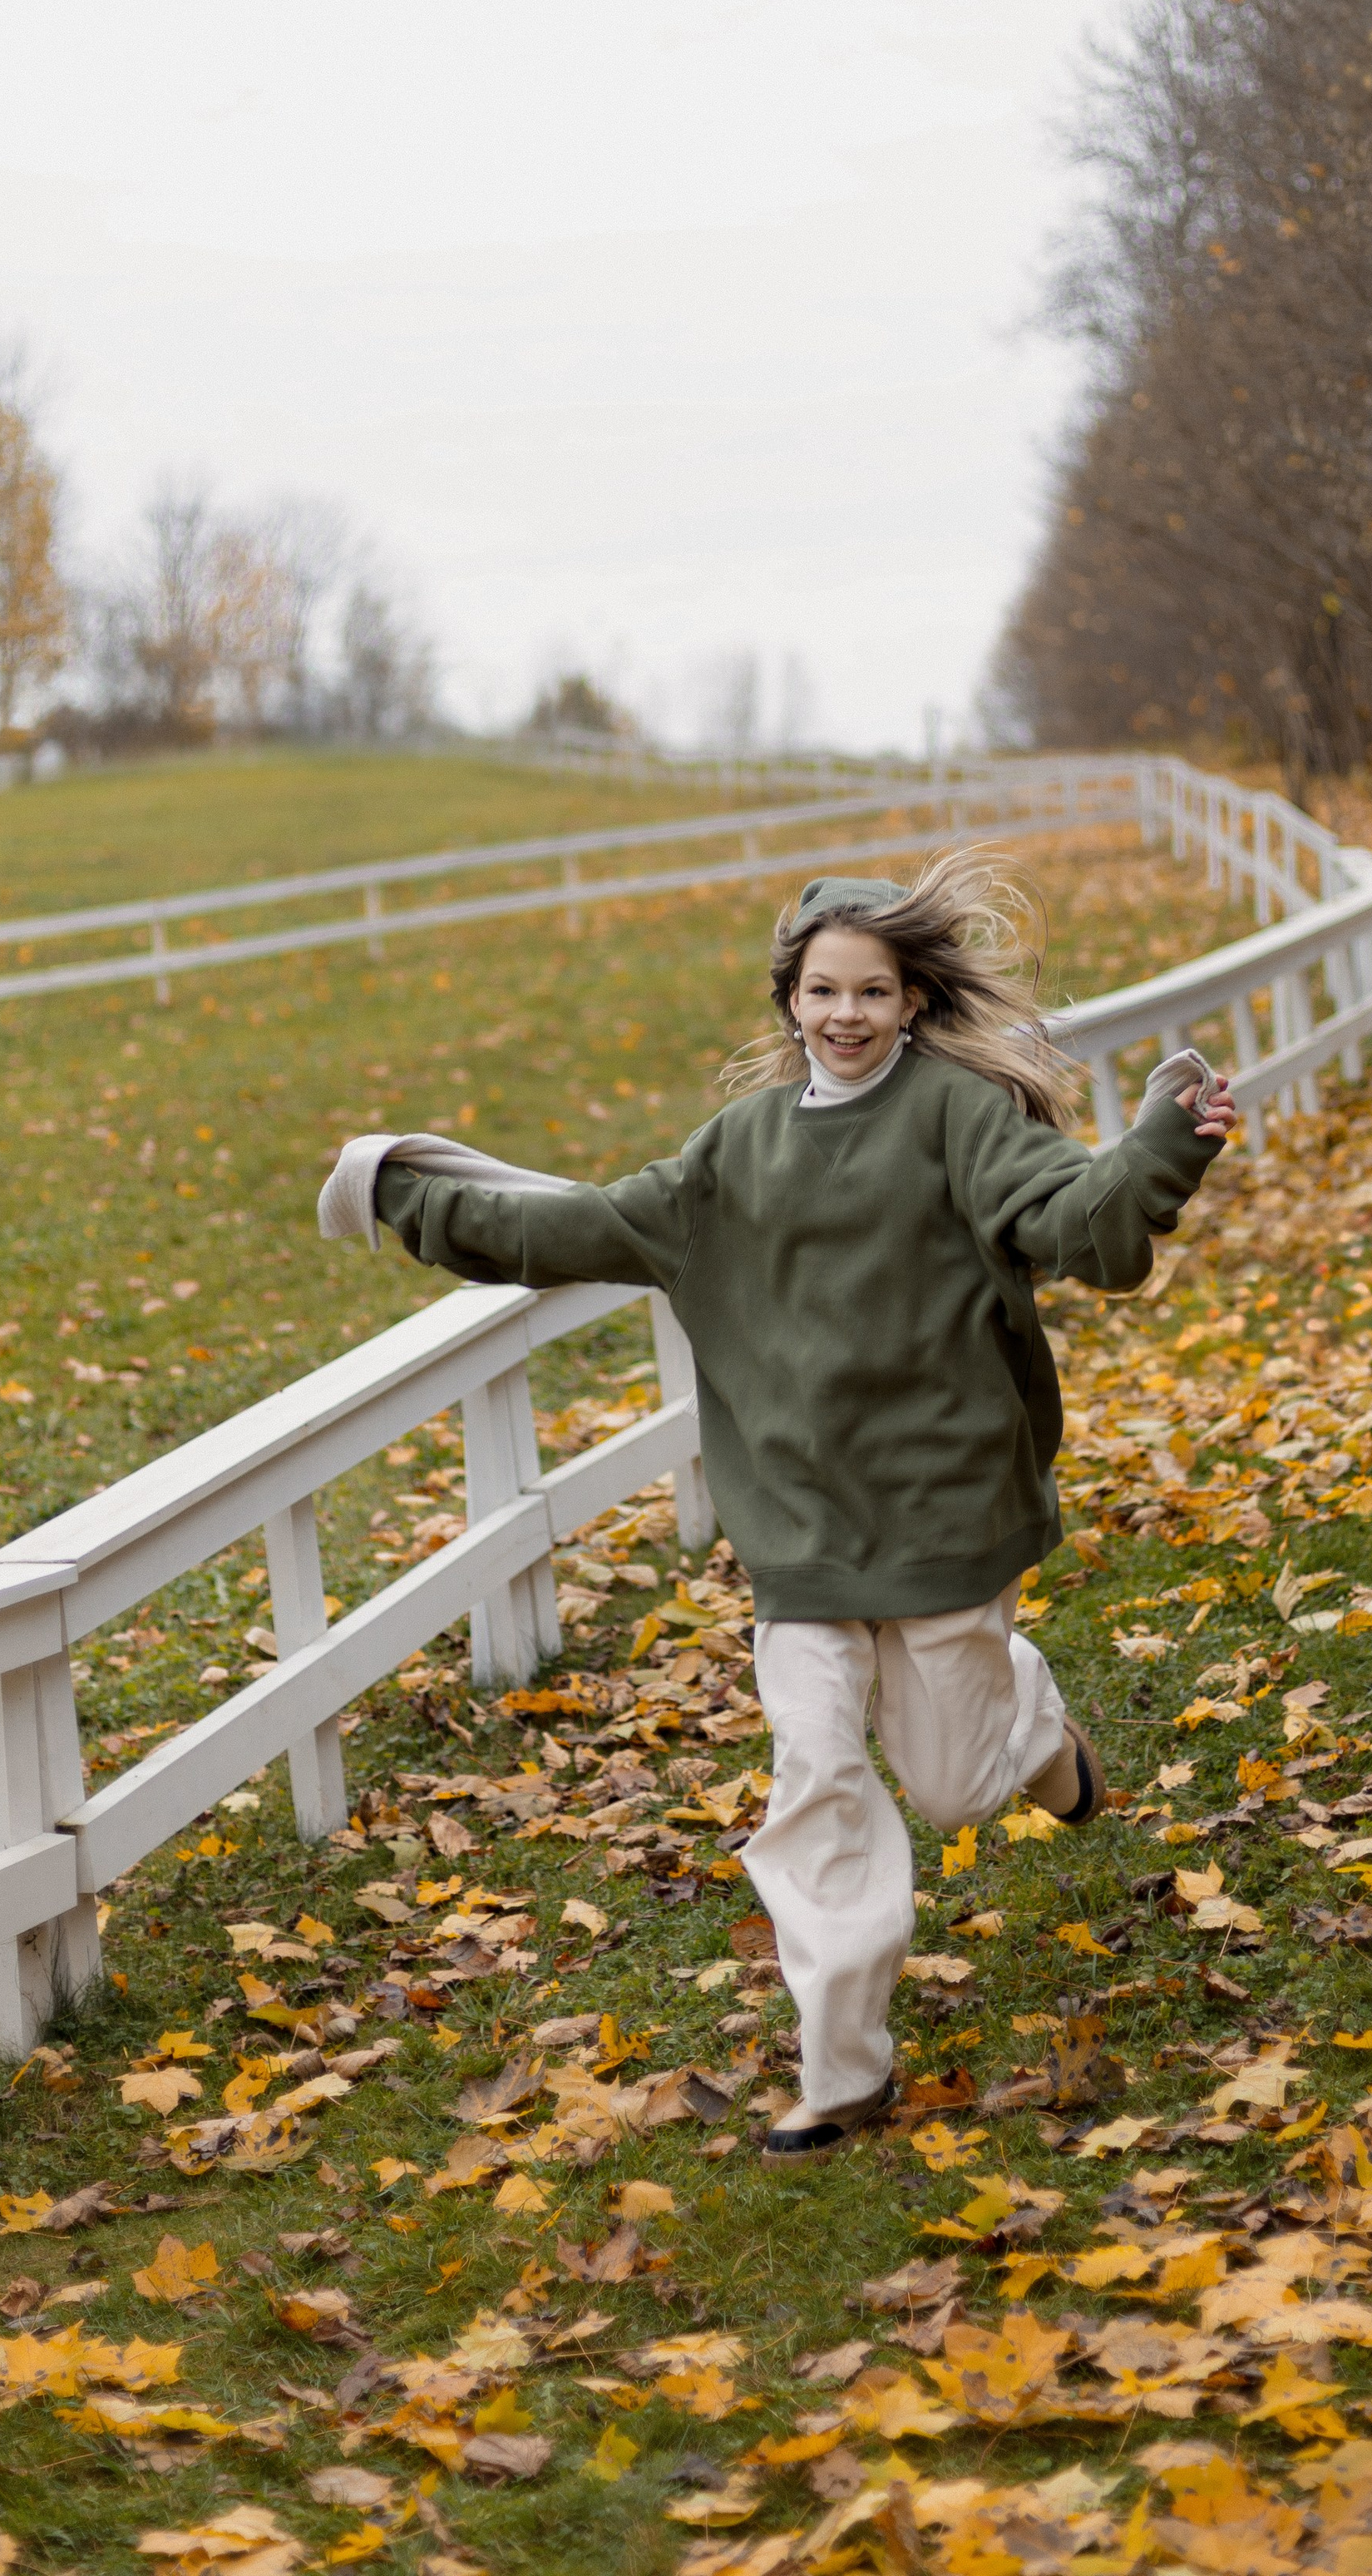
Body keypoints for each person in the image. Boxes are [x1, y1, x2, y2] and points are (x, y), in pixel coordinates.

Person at [316, 852, 1236, 2158]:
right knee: (815, 1773)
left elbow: (1079, 1222)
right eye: (822, 991)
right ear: (789, 1001)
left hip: (945, 1513)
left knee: (955, 1786)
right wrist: (399, 1193)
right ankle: (842, 2067)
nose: (847, 1014)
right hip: (799, 1536)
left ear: (915, 1000)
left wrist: (1160, 1147)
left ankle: (1029, 1733)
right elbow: (578, 1225)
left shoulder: (961, 1119)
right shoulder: (731, 1158)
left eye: (873, 991)